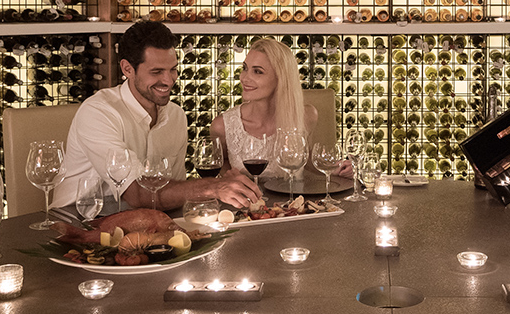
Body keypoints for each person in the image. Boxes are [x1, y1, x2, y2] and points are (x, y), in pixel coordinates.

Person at [57, 21, 261, 211]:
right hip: (80, 219)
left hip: (144, 222)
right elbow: (138, 193)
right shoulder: (99, 112)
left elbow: (172, 191)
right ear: (127, 69)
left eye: (173, 70)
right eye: (156, 72)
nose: (169, 80)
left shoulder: (176, 116)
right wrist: (213, 187)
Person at [209, 38, 318, 172]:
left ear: (281, 78)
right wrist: (229, 176)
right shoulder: (222, 126)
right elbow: (221, 165)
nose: (244, 78)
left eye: (257, 71)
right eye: (245, 68)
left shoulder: (307, 116)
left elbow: (305, 159)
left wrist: (333, 167)